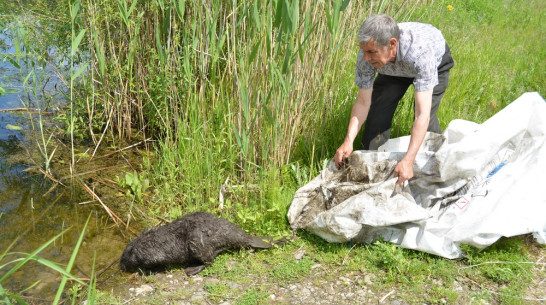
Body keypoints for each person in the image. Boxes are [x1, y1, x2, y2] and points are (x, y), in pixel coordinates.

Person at [334, 14, 454, 184]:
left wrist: (408, 160)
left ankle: (436, 169)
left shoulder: (420, 52)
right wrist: (348, 141)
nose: (365, 58)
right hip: (390, 66)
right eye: (363, 51)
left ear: (392, 44)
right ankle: (370, 169)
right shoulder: (367, 57)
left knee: (427, 125)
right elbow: (363, 102)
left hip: (433, 64)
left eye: (371, 52)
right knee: (378, 111)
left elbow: (422, 115)